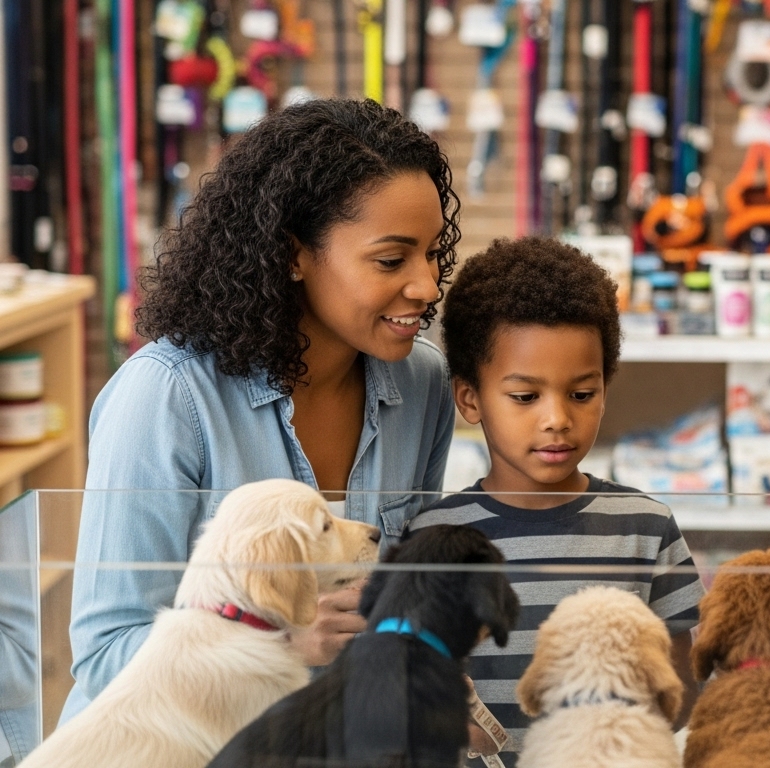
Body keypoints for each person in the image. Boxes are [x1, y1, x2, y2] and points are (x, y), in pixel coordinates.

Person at [64, 99, 460, 720]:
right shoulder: (166, 397)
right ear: (292, 254)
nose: (427, 286)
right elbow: (105, 653)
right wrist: (277, 643)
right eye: (391, 260)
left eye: (434, 252)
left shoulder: (424, 383)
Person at [405, 237, 706, 765]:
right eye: (525, 397)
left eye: (582, 394)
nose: (557, 419)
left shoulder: (645, 526)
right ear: (470, 398)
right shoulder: (434, 538)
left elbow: (678, 694)